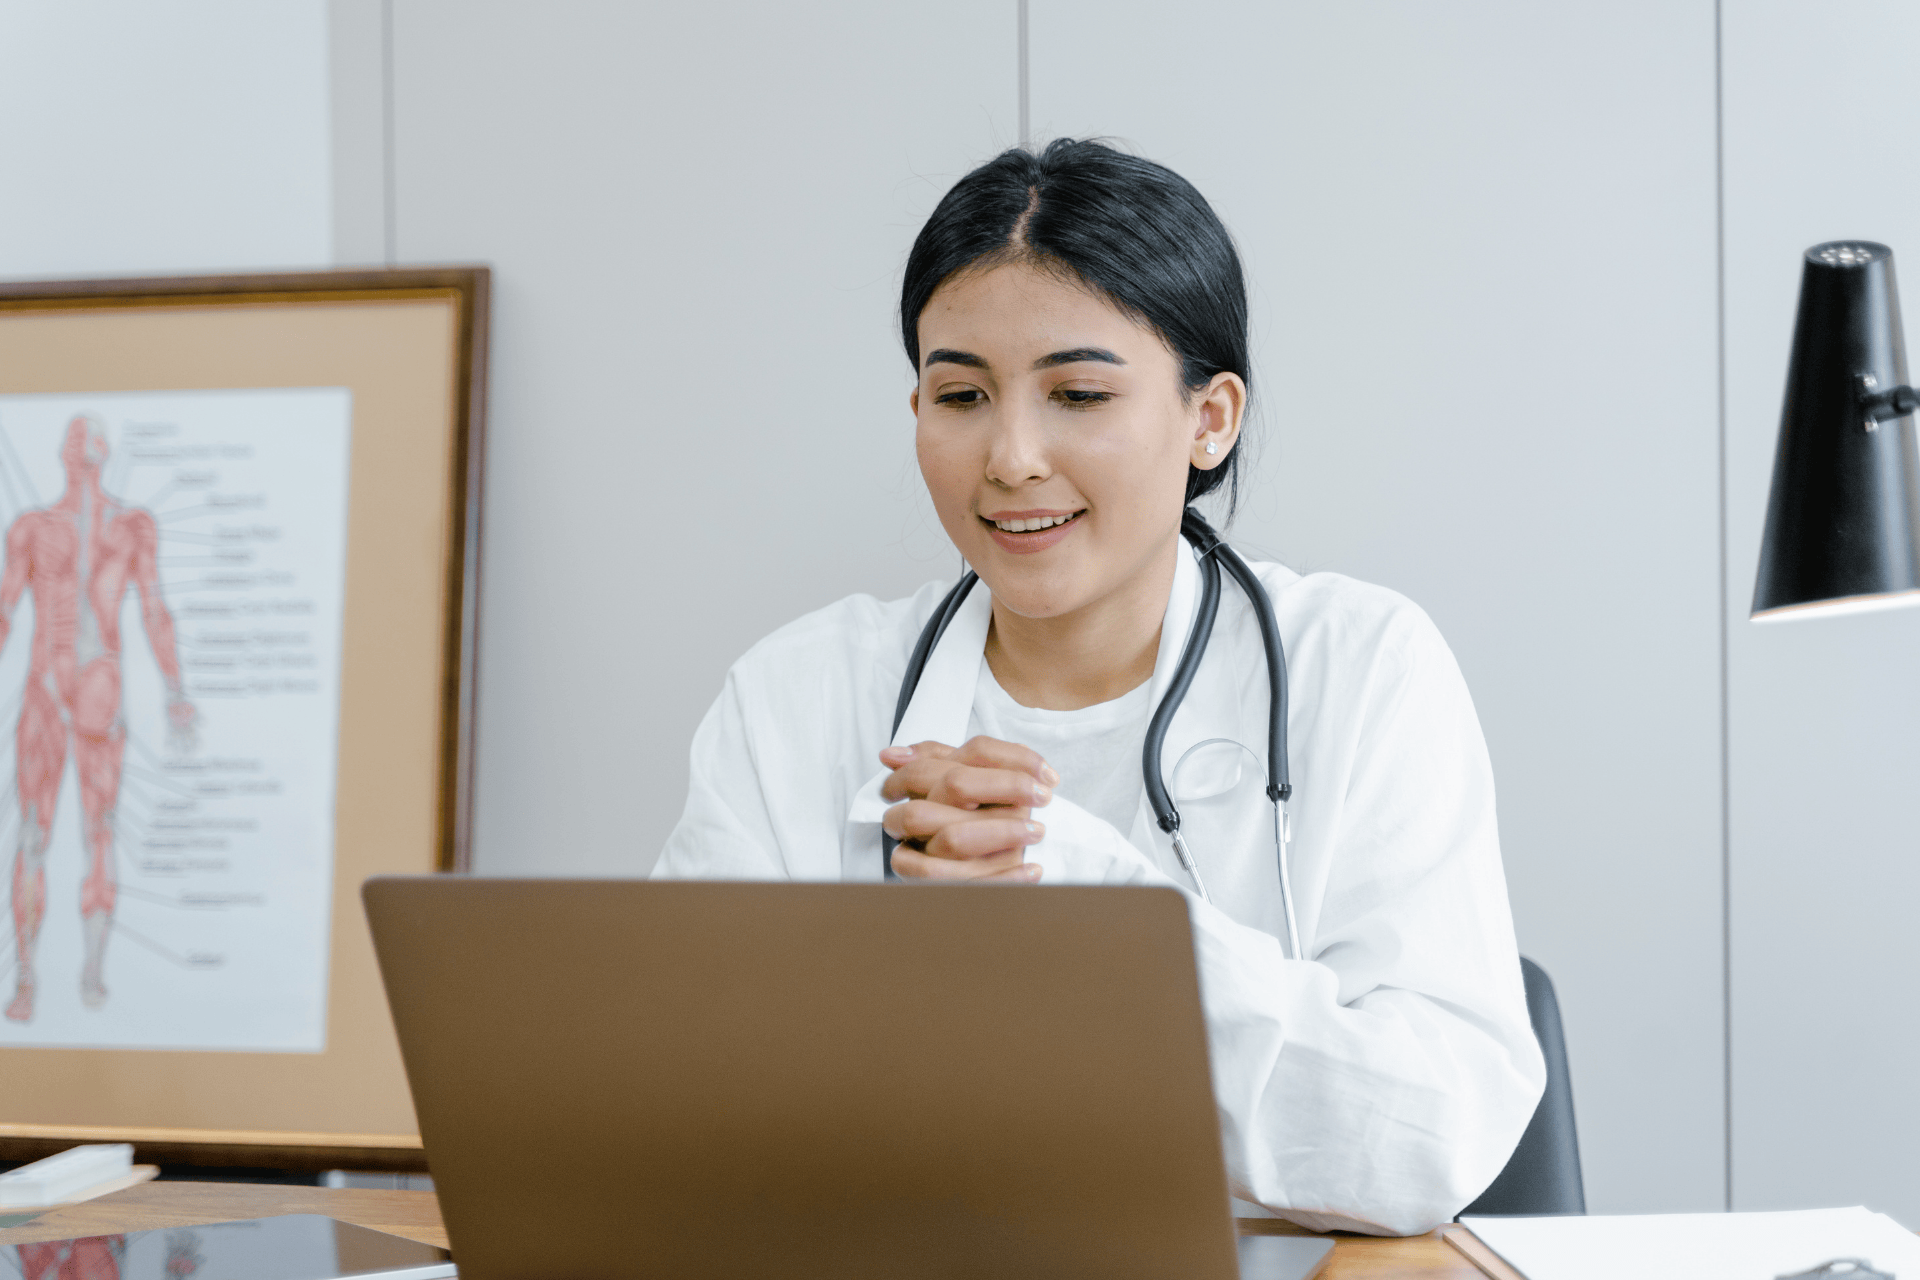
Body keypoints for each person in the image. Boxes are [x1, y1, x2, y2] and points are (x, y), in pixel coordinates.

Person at [652, 139, 1545, 1235]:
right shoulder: (796, 698)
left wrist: (1102, 915)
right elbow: (678, 1122)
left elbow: (1430, 1136)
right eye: (961, 394)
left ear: (1210, 418)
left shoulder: (1358, 669)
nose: (1011, 455)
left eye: (1077, 391)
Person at [2, 415, 197, 1022]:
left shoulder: (132, 528)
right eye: (77, 441)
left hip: (98, 697)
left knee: (99, 836)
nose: (84, 452)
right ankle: (29, 974)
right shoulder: (34, 528)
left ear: (101, 453)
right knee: (35, 837)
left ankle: (89, 971)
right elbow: (4, 612)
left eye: (91, 442)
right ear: (64, 453)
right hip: (46, 695)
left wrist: (176, 691)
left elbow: (155, 611)